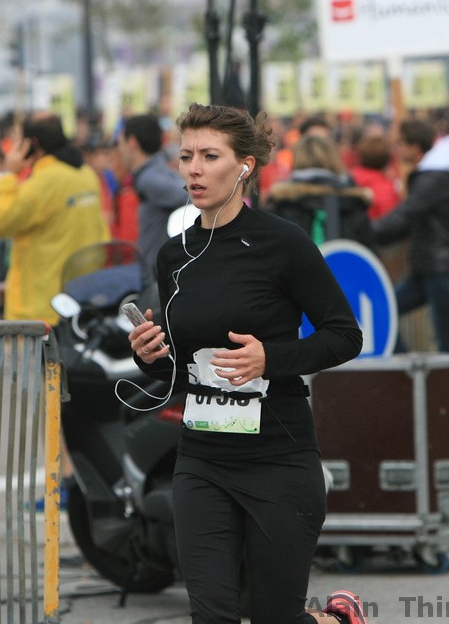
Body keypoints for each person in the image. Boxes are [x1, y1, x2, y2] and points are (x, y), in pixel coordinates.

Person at [128, 103, 368, 624]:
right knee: (212, 617)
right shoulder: (174, 255)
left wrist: (269, 358)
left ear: (245, 166)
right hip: (201, 460)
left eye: (210, 156)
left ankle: (336, 619)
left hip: (278, 457)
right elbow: (183, 369)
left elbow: (345, 336)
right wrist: (149, 356)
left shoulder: (283, 243)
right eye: (186, 156)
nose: (194, 169)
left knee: (275, 617)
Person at [0, 112, 109, 325]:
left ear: (32, 144)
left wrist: (8, 175)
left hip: (41, 308)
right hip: (81, 296)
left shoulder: (44, 181)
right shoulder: (86, 174)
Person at [375, 119, 449, 353]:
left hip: (439, 267)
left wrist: (366, 232)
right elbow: (407, 219)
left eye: (401, 144)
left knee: (447, 344)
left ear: (415, 147)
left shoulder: (432, 178)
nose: (397, 149)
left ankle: (416, 371)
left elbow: (405, 214)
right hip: (429, 266)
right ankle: (408, 369)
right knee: (384, 312)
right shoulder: (432, 175)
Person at [265, 134, 375, 249]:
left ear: (296, 161)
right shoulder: (353, 204)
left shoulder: (280, 205)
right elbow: (369, 253)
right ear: (335, 160)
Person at [117, 113, 187, 289]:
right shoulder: (156, 170)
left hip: (156, 277)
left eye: (120, 143)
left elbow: (192, 196)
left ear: (132, 142)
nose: (119, 150)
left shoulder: (149, 178)